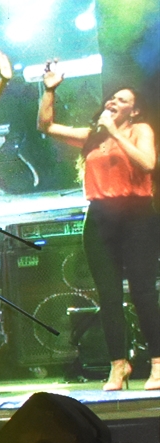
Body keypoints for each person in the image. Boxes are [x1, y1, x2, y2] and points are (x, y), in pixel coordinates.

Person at [36, 70, 158, 390]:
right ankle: (118, 365)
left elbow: (147, 163)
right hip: (101, 216)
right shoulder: (92, 136)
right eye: (112, 98)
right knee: (108, 294)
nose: (113, 102)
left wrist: (115, 133)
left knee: (143, 292)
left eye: (122, 100)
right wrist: (49, 90)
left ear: (134, 110)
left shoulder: (140, 130)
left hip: (136, 215)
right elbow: (46, 126)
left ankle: (158, 363)